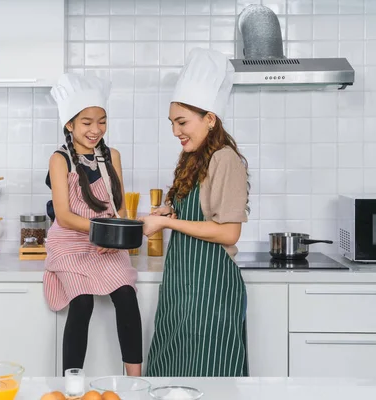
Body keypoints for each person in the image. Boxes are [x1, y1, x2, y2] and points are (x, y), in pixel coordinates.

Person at [139, 48, 250, 377]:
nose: (176, 131)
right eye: (172, 123)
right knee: (171, 368)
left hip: (210, 289)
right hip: (183, 284)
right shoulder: (194, 157)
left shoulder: (225, 159)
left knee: (208, 372)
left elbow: (228, 232)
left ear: (210, 118)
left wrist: (162, 222)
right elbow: (197, 210)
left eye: (182, 121)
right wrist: (168, 212)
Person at [43, 73, 143, 376]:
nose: (95, 129)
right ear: (69, 125)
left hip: (106, 244)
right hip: (71, 244)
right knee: (83, 302)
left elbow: (120, 207)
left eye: (102, 121)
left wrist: (114, 238)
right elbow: (64, 216)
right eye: (86, 123)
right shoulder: (60, 159)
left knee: (126, 295)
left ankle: (136, 381)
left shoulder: (112, 156)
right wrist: (101, 233)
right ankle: (70, 386)